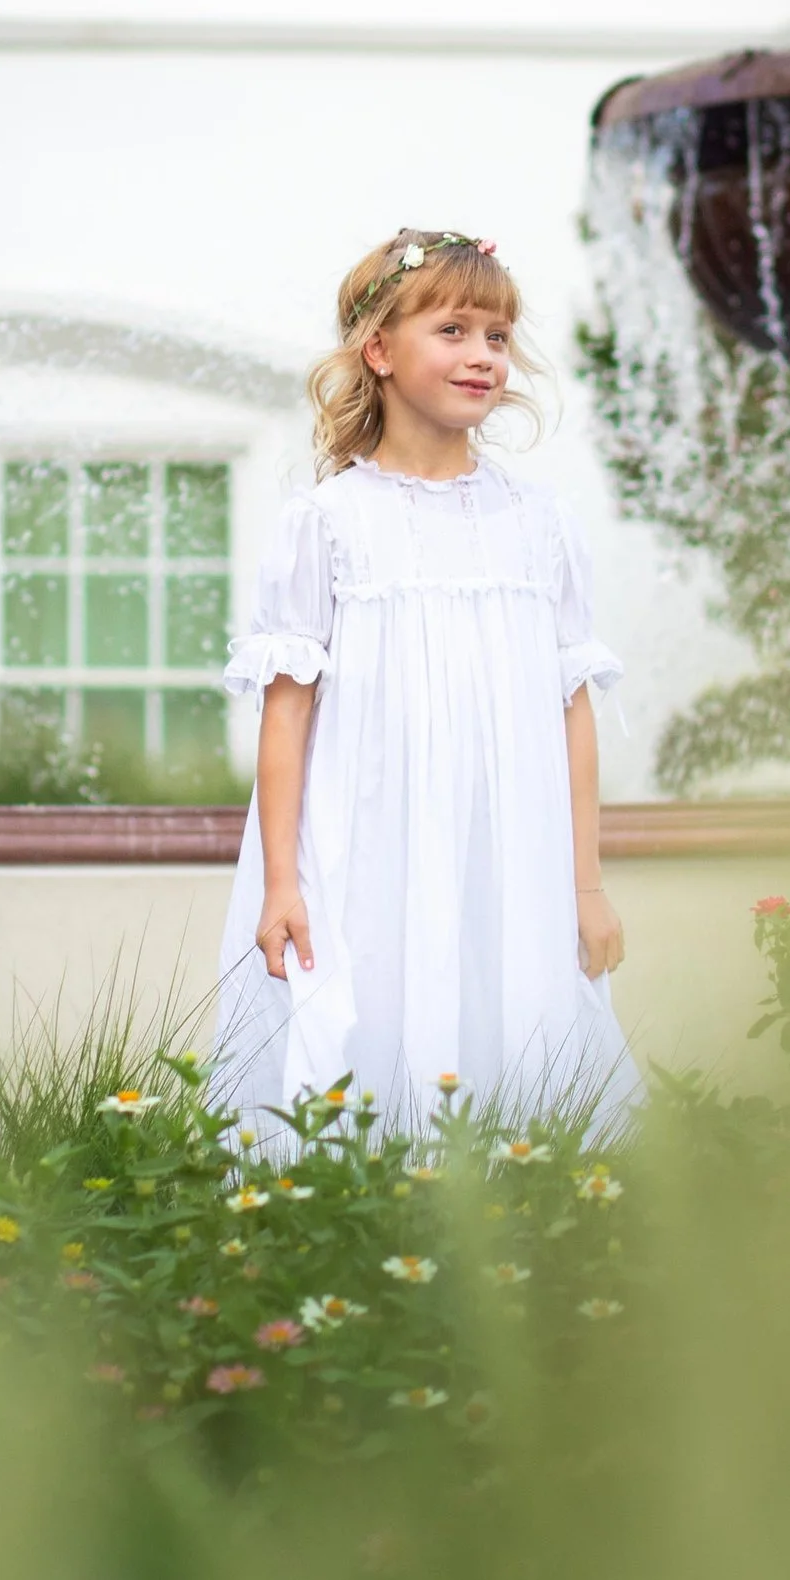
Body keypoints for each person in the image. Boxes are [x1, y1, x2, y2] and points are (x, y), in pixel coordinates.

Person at [215, 229, 643, 1125]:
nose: (483, 355)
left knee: (515, 1022)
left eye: (497, 335)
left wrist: (586, 885)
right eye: (453, 330)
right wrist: (282, 884)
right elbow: (285, 718)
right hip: (364, 841)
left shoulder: (541, 524)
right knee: (367, 1027)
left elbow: (571, 717)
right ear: (378, 351)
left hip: (507, 849)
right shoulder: (327, 524)